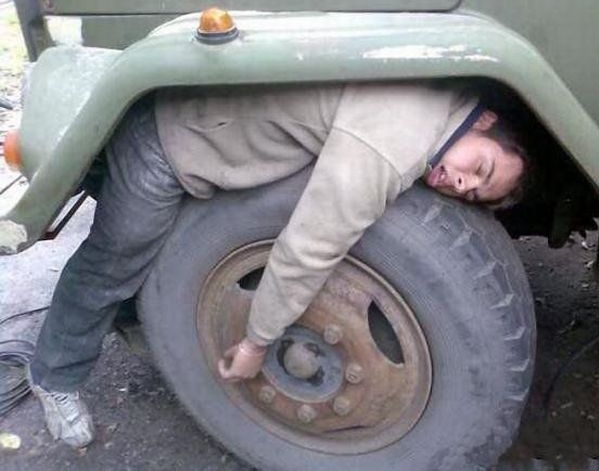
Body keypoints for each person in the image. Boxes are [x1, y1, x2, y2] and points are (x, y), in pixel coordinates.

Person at [26, 81, 529, 448]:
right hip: (170, 145)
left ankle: (132, 315)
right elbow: (311, 245)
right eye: (480, 168)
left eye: (474, 193)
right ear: (483, 120)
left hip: (226, 133)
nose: (462, 184)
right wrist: (256, 341)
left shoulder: (437, 99)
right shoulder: (393, 142)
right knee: (112, 266)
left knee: (138, 264)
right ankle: (54, 377)